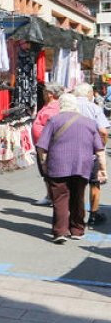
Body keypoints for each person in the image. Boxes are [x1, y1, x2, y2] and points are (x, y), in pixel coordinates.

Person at [37, 94, 108, 242]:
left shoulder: (54, 120)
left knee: (60, 198)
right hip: (82, 165)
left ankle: (60, 232)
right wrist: (103, 169)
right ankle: (77, 230)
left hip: (57, 166)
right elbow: (99, 150)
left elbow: (42, 146)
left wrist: (44, 163)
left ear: (61, 105)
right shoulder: (89, 123)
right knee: (78, 197)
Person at [74, 83, 110, 226]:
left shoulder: (69, 107)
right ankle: (93, 216)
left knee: (78, 185)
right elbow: (103, 131)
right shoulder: (94, 108)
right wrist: (101, 146)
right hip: (91, 151)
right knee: (94, 183)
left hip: (73, 151)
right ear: (89, 93)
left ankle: (77, 216)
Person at [32, 84, 64, 206]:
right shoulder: (48, 105)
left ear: (50, 94)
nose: (43, 94)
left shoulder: (54, 108)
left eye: (45, 92)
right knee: (45, 171)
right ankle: (50, 195)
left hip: (47, 145)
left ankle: (53, 197)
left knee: (49, 170)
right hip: (42, 144)